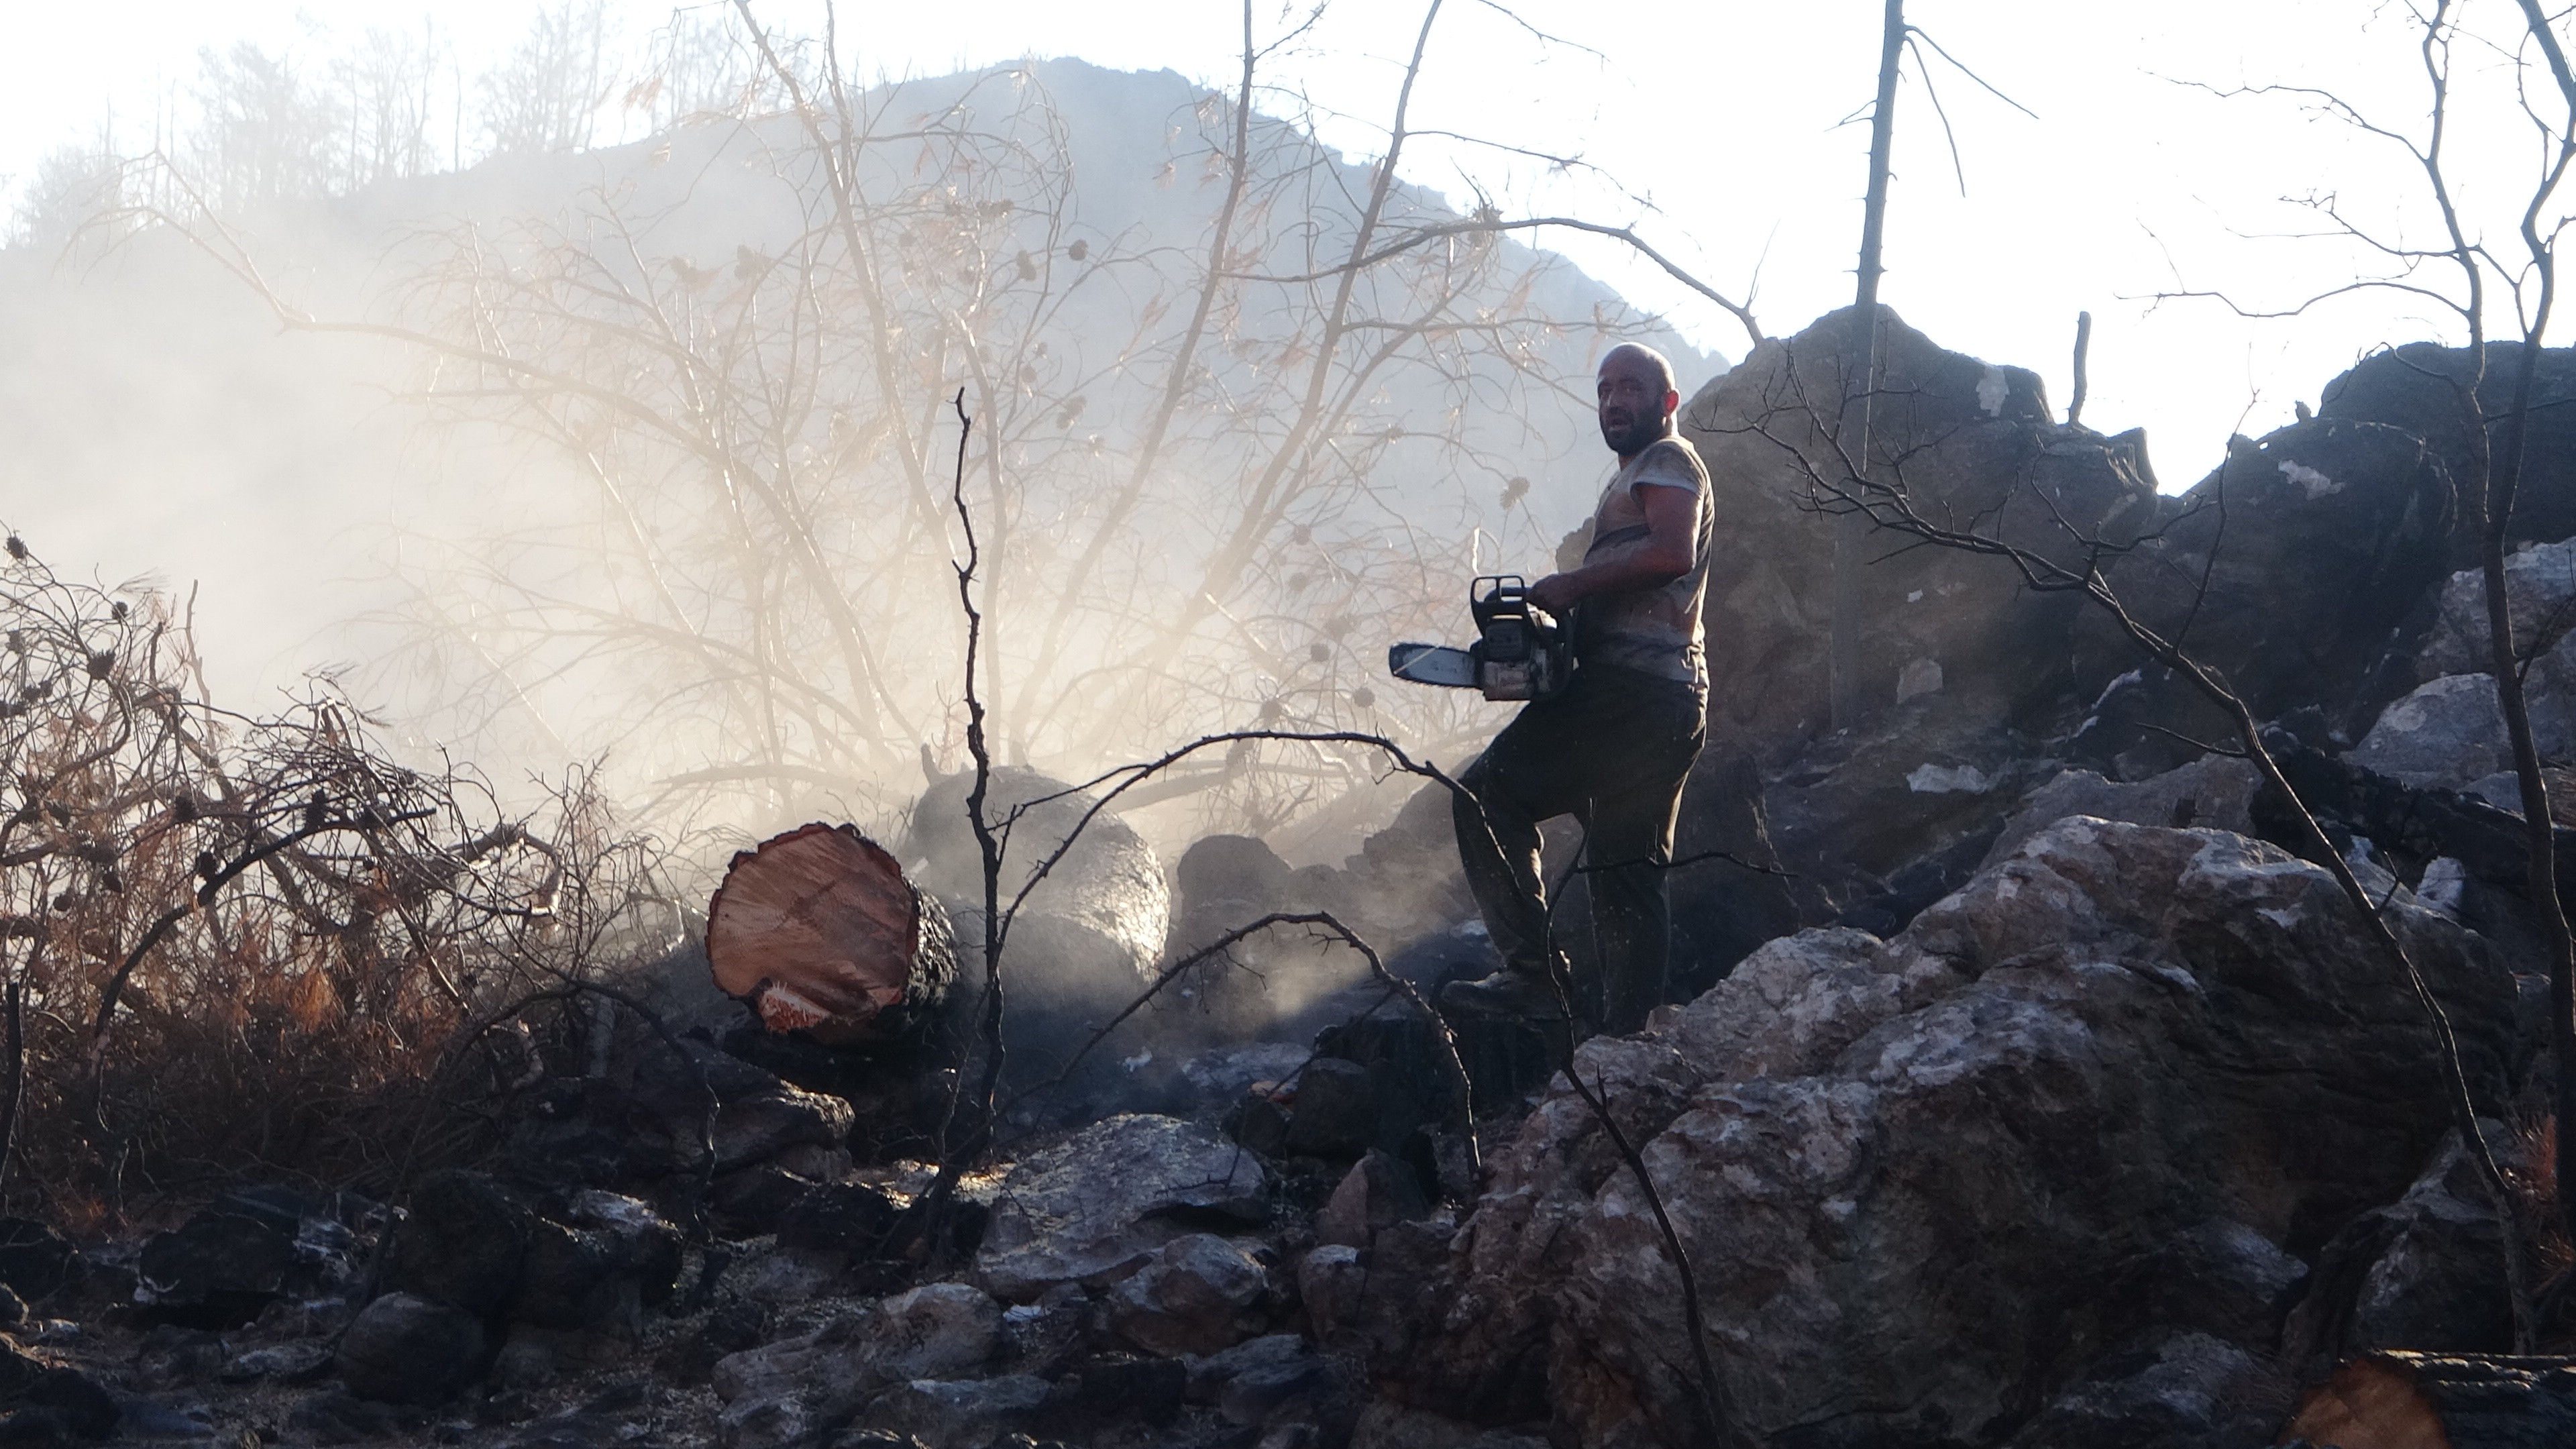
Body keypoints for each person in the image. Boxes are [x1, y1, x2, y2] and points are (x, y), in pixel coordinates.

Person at [1440, 343, 1711, 1033]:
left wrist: (1571, 586)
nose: (1615, 401)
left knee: (1486, 795)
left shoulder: (1668, 462)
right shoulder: (1638, 476)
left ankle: (1534, 978)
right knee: (1627, 875)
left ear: (1667, 403)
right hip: (1669, 700)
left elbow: (1671, 553)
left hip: (1633, 695)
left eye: (1632, 388)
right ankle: (1629, 1046)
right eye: (1605, 389)